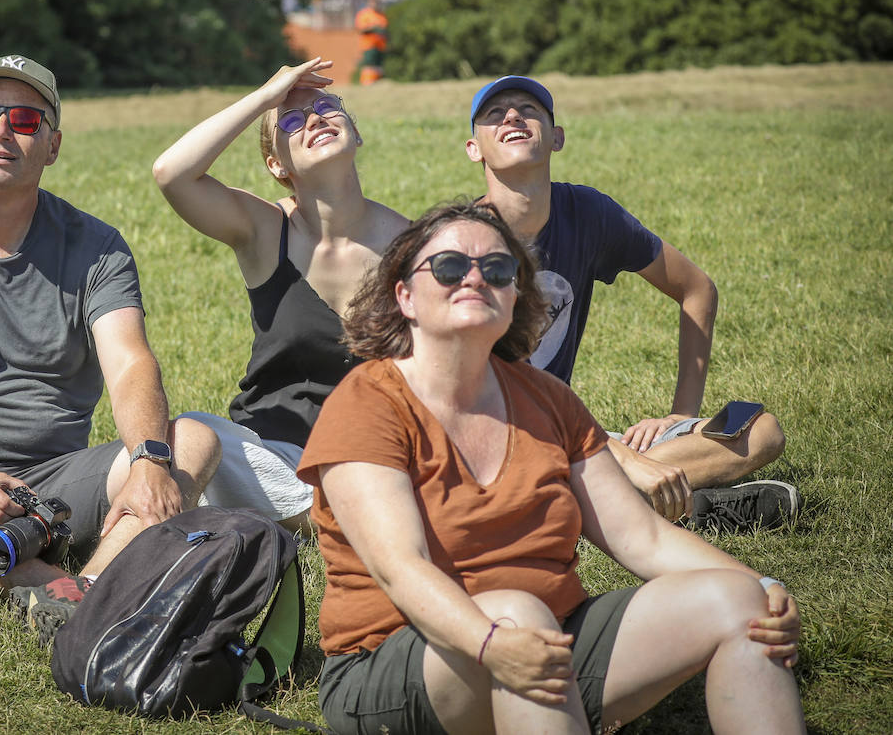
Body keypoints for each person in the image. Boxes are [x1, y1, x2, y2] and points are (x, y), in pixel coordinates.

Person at [298, 202, 805, 735]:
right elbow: (398, 567)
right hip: (400, 661)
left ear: (515, 297)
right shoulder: (367, 403)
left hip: (546, 639)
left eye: (498, 271)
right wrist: (492, 643)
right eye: (449, 268)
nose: (475, 278)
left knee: (742, 605)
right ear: (405, 295)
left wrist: (763, 583)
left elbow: (644, 538)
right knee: (518, 614)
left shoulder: (549, 400)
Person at [0, 54, 220, 643]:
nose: (0, 130)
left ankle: (93, 583)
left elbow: (130, 362)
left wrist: (151, 462)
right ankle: (42, 582)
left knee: (196, 440)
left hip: (56, 487)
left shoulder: (98, 246)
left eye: (26, 120)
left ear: (52, 146)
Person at [464, 75, 796, 531]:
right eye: (494, 115)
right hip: (491, 436)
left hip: (569, 438)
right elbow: (483, 386)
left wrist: (681, 413)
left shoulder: (588, 214)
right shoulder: (459, 243)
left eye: (529, 109)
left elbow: (697, 289)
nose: (513, 117)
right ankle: (685, 506)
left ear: (556, 137)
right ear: (473, 148)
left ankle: (603, 500)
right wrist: (618, 453)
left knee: (759, 433)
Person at [152, 57, 408, 532]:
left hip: (371, 458)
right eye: (292, 121)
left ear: (357, 132)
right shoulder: (266, 230)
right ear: (277, 165)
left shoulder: (411, 246)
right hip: (273, 458)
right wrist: (266, 98)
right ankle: (332, 515)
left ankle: (325, 514)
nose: (314, 118)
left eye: (328, 107)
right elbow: (172, 173)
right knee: (194, 435)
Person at [354, 0, 389, 86]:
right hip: (369, 45)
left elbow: (385, 30)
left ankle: (377, 83)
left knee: (378, 67)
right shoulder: (364, 15)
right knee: (369, 67)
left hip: (380, 46)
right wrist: (373, 28)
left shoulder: (382, 16)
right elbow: (361, 29)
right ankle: (367, 83)